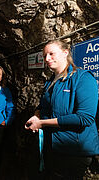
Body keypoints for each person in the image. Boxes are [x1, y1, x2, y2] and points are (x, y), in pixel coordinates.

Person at [25, 40, 99, 179]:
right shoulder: (51, 81)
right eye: (45, 55)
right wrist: (36, 115)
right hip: (52, 147)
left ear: (65, 53)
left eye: (51, 54)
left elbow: (85, 118)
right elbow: (43, 106)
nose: (47, 58)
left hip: (73, 151)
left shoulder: (83, 78)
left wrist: (42, 123)